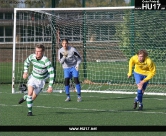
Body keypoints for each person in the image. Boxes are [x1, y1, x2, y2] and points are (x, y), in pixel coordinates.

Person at [18, 44, 54, 116]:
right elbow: (26, 62)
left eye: (39, 51)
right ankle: (30, 112)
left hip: (41, 81)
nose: (37, 53)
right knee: (30, 93)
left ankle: (25, 97)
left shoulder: (46, 61)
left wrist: (50, 86)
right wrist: (25, 72)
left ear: (43, 52)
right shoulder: (32, 57)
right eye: (36, 51)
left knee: (32, 98)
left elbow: (52, 73)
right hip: (33, 78)